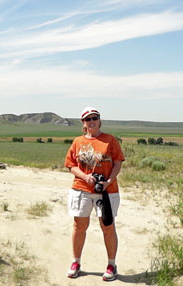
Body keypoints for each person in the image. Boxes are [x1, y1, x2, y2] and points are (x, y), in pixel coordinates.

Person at [63, 107, 125, 281]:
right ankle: (76, 262)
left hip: (107, 191)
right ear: (83, 123)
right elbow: (70, 165)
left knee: (108, 227)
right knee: (79, 226)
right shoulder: (77, 142)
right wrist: (85, 177)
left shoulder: (109, 140)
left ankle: (111, 264)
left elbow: (118, 162)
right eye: (87, 119)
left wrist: (108, 181)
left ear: (99, 120)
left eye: (94, 118)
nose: (91, 121)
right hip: (82, 189)